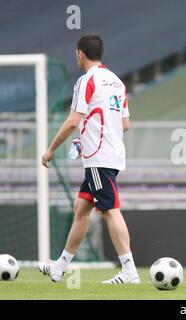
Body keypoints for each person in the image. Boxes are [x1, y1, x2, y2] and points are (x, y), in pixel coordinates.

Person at [39, 34, 140, 284]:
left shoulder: (87, 80)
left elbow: (73, 120)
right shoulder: (116, 81)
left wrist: (51, 149)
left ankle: (129, 270)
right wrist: (89, 137)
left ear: (80, 54)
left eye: (76, 53)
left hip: (99, 157)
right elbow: (124, 123)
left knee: (109, 209)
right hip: (112, 153)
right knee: (81, 208)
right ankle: (60, 267)